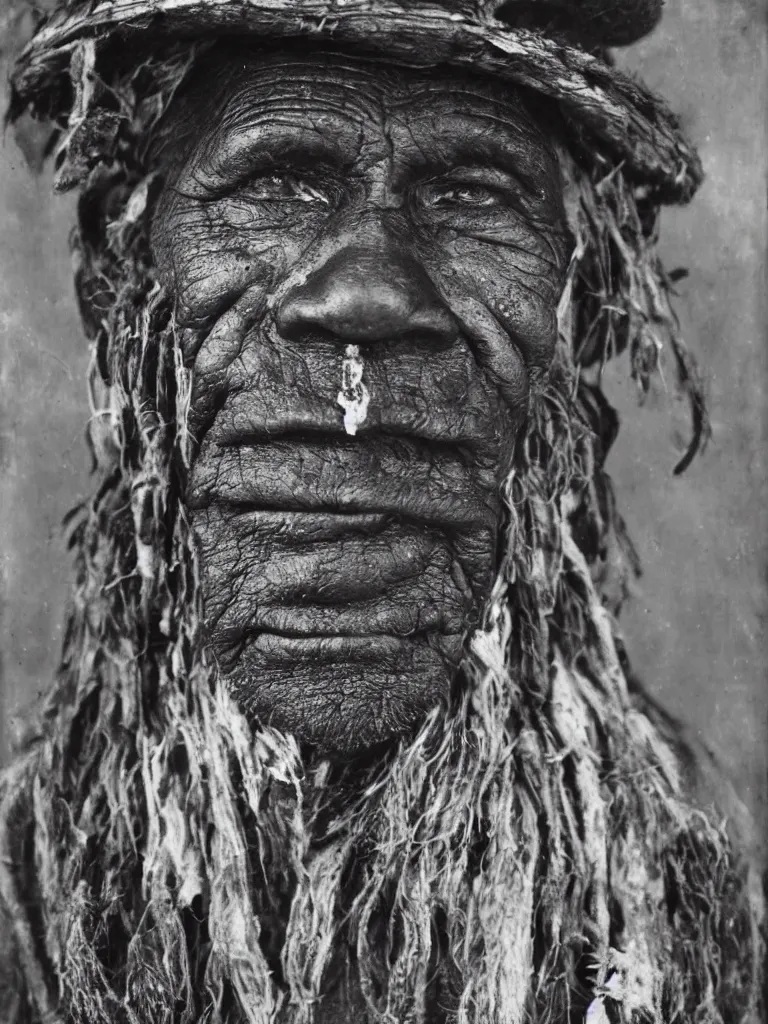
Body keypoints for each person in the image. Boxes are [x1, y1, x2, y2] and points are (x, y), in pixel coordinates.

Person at [0, 0, 763, 1021]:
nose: (363, 295)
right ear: (119, 278)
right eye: (275, 182)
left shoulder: (699, 944)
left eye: (471, 193)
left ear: (585, 317)